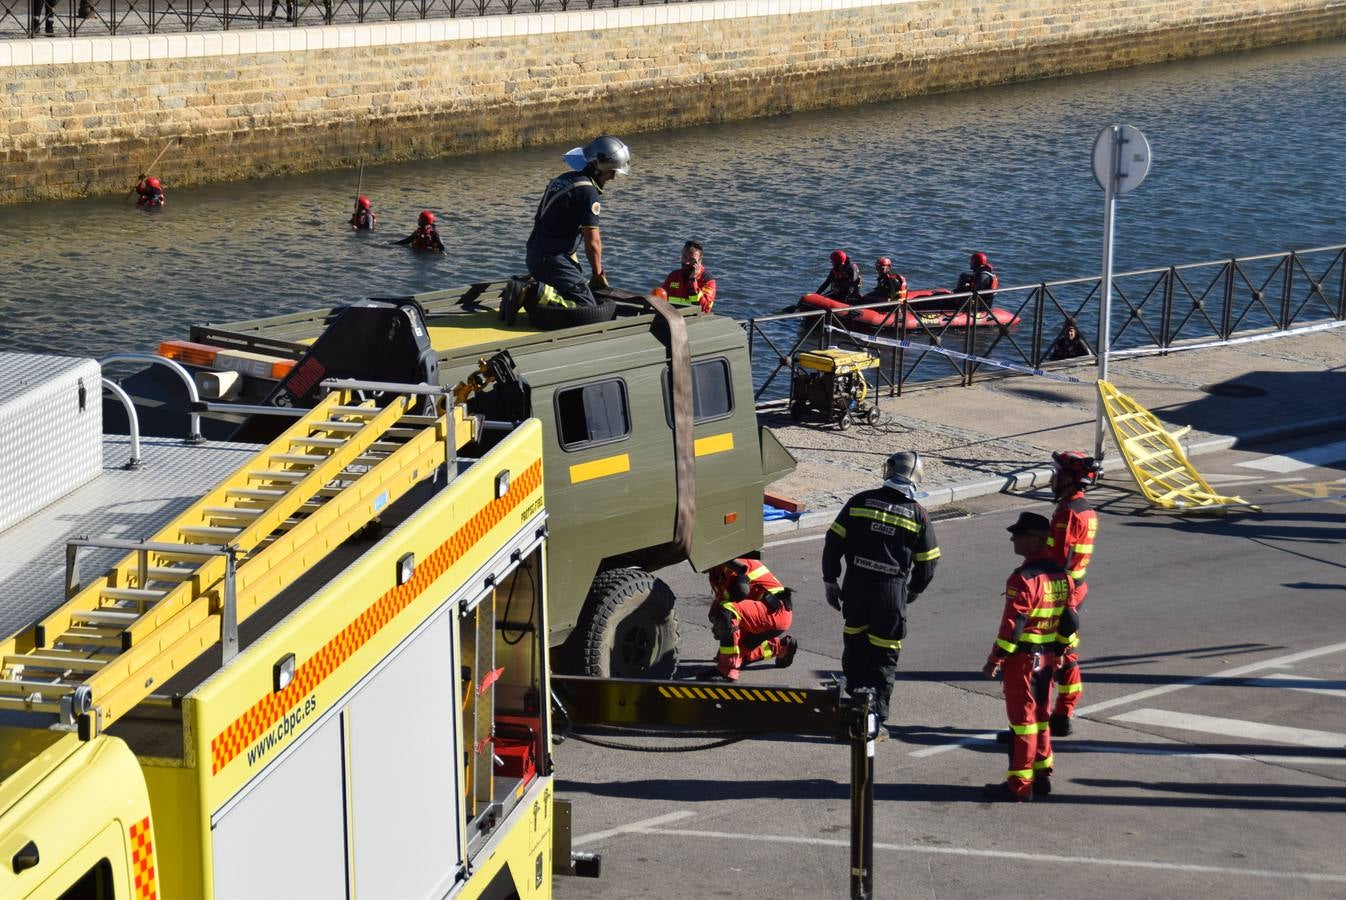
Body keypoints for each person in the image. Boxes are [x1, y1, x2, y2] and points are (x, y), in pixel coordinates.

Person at [822, 451, 940, 739]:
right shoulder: (918, 515)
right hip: (891, 593)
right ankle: (875, 718)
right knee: (884, 656)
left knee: (855, 646)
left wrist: (830, 580)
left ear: (888, 471)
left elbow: (833, 541)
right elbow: (929, 561)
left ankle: (852, 706)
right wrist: (914, 589)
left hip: (856, 588)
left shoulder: (859, 501)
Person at [982, 511, 1071, 803]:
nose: (1012, 538)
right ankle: (1042, 774)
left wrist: (995, 660)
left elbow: (1013, 625)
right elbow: (1070, 620)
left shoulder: (1023, 579)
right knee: (1041, 717)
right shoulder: (1061, 575)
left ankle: (1019, 785)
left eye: (1018, 534)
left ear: (1034, 540)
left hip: (1023, 661)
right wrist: (1059, 652)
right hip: (1046, 659)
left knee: (1022, 723)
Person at [524, 135, 630, 310]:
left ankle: (541, 291)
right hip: (552, 260)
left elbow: (556, 224)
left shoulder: (564, 179)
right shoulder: (588, 192)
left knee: (579, 289)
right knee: (588, 307)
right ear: (597, 167)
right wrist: (598, 274)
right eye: (611, 172)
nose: (612, 177)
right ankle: (532, 293)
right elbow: (593, 242)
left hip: (536, 254)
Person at [1045, 449, 1100, 735]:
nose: (1052, 479)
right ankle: (1064, 713)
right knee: (1067, 655)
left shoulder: (1067, 513)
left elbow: (1058, 560)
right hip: (1076, 591)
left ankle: (1040, 723)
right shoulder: (1086, 509)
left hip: (1060, 595)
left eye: (1057, 474)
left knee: (1046, 658)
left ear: (1069, 479)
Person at [698, 558, 798, 682]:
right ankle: (781, 647)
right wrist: (718, 623)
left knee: (726, 611)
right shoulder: (716, 572)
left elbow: (739, 593)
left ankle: (727, 670)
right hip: (759, 615)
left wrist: (722, 622)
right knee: (734, 654)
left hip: (774, 612)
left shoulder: (734, 564)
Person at [661, 240, 717, 314]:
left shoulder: (707, 280)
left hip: (695, 320)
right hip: (673, 318)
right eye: (684, 257)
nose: (687, 262)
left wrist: (693, 281)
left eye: (692, 259)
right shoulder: (673, 276)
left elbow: (704, 309)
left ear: (700, 260)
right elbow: (661, 301)